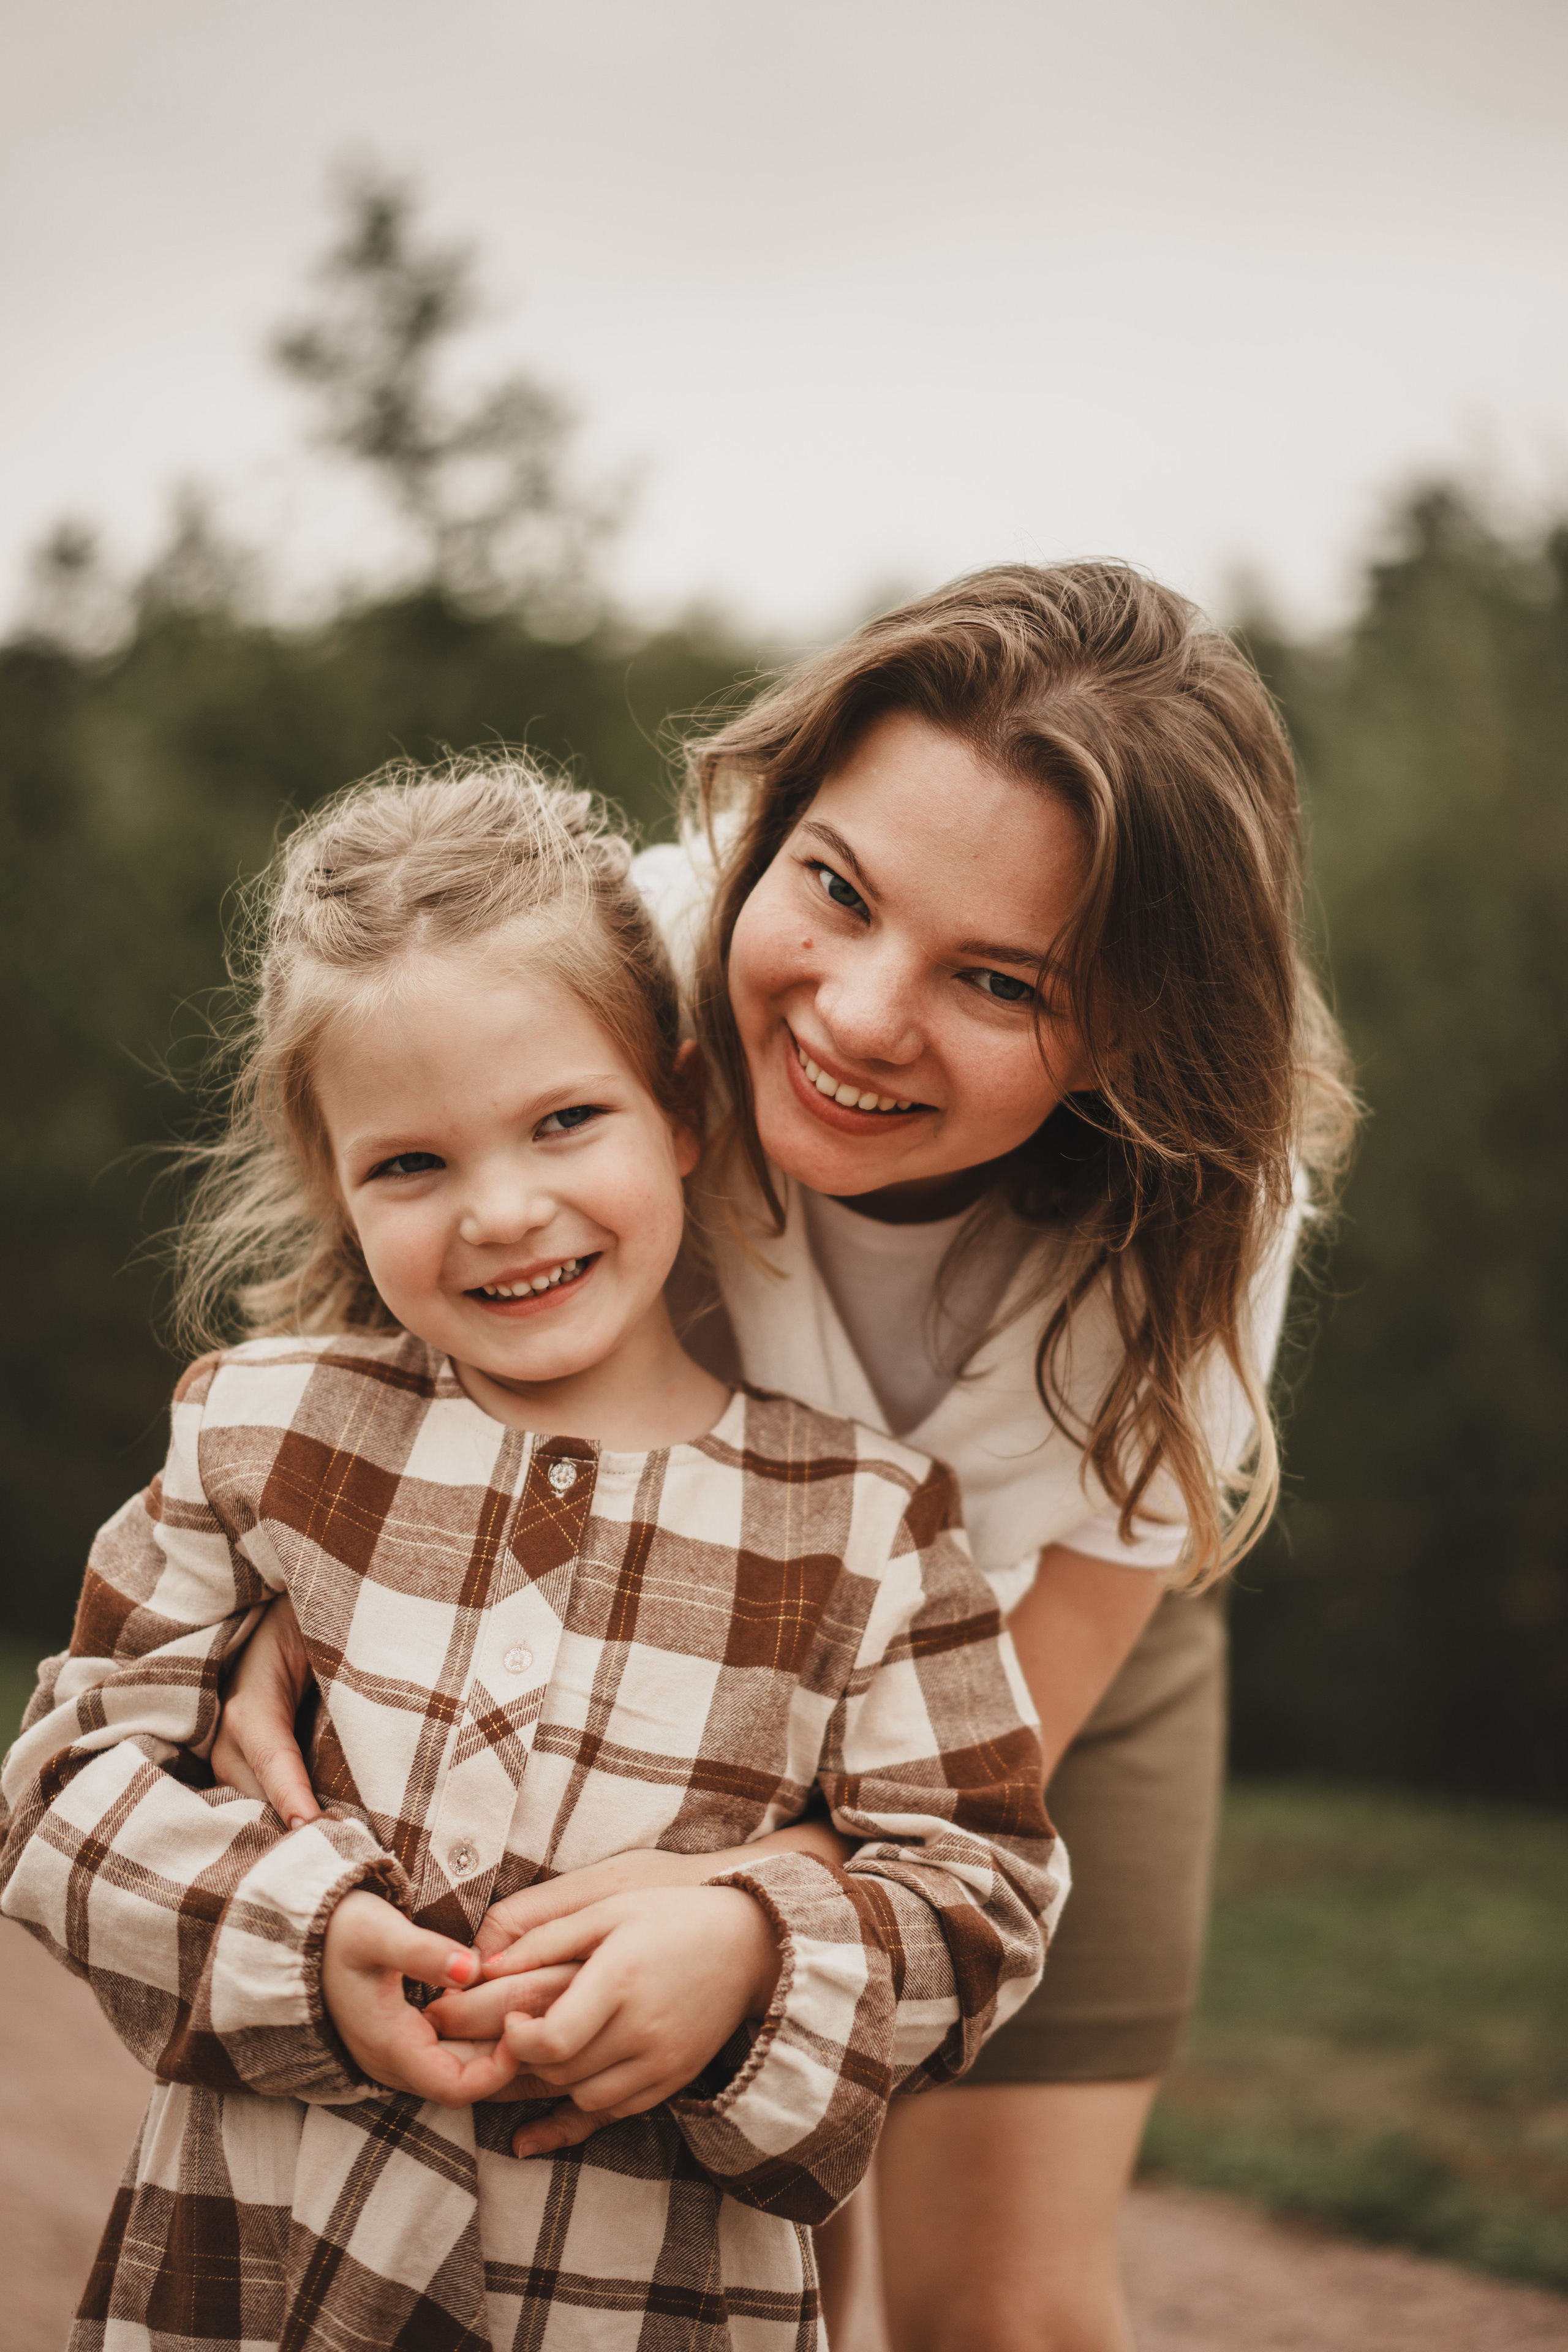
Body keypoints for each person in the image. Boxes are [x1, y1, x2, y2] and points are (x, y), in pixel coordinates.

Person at [213, 564, 1357, 2351]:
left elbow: (1098, 1599)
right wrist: (319, 1574)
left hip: (1034, 1661)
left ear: (1138, 1029)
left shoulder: (1209, 1192)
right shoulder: (630, 970)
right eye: (835, 887)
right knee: (728, 2275)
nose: (857, 1015)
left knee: (1008, 2319)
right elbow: (420, 1227)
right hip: (654, 1636)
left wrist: (775, 1904)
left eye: (995, 978)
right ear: (768, 824)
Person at [0, 759, 1061, 2352]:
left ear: (684, 1107)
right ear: (332, 1182)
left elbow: (987, 1891)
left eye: (565, 1121)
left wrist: (754, 1948)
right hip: (259, 2277)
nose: (501, 1210)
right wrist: (288, 1931)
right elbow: (66, 1776)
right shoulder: (265, 1431)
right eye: (411, 1164)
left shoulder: (863, 1525)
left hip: (638, 2296)